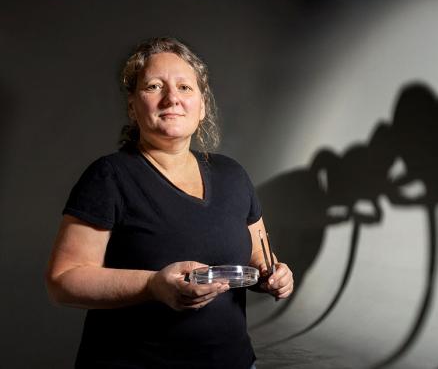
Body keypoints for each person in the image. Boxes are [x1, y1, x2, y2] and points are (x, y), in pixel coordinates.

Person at [46, 37, 293, 368]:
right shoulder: (110, 176)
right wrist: (152, 285)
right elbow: (64, 280)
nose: (172, 98)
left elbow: (258, 257)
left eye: (185, 88)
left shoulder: (232, 175)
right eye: (153, 86)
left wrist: (274, 274)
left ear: (202, 105)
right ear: (133, 106)